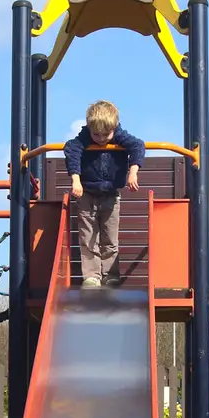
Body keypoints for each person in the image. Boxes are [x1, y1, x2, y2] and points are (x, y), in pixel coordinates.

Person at [63, 100, 144, 287]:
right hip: (86, 194)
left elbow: (138, 146)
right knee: (88, 236)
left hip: (110, 194)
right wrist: (76, 180)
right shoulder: (84, 138)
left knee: (110, 237)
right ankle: (92, 276)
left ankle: (111, 275)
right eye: (96, 134)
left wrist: (133, 173)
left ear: (114, 127)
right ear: (90, 128)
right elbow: (72, 149)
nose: (100, 139)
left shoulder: (119, 136)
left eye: (106, 134)